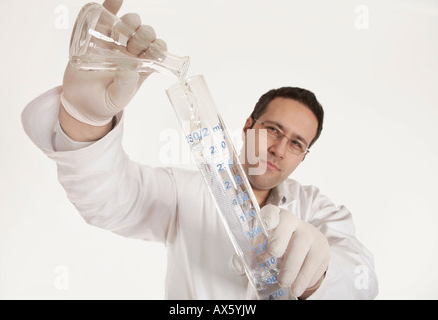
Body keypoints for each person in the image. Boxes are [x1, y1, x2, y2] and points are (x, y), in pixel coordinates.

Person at [22, 0, 378, 299]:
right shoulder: (185, 191)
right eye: (272, 129)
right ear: (248, 126)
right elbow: (108, 199)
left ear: (304, 155)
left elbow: (363, 281)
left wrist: (318, 273)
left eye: (297, 143)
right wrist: (84, 117)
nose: (279, 148)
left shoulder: (317, 210)